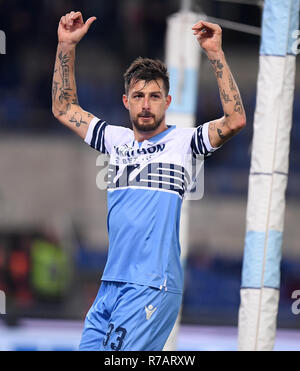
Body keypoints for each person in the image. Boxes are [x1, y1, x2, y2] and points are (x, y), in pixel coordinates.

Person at [52, 11, 246, 351]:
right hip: (110, 285)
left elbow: (235, 120)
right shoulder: (114, 140)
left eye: (155, 97)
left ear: (167, 102)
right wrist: (66, 46)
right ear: (126, 102)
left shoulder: (184, 143)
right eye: (139, 96)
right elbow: (63, 106)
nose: (146, 105)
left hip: (152, 285)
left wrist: (215, 54)